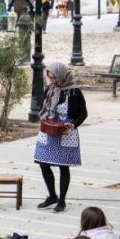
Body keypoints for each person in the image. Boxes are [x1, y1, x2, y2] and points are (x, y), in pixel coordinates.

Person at [34, 62, 88, 213]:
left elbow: (83, 114)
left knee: (63, 166)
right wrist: (44, 118)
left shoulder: (74, 92)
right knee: (43, 163)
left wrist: (73, 124)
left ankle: (62, 201)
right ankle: (52, 196)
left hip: (66, 132)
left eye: (55, 78)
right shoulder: (50, 89)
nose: (53, 81)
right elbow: (43, 107)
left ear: (61, 75)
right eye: (50, 78)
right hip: (48, 129)